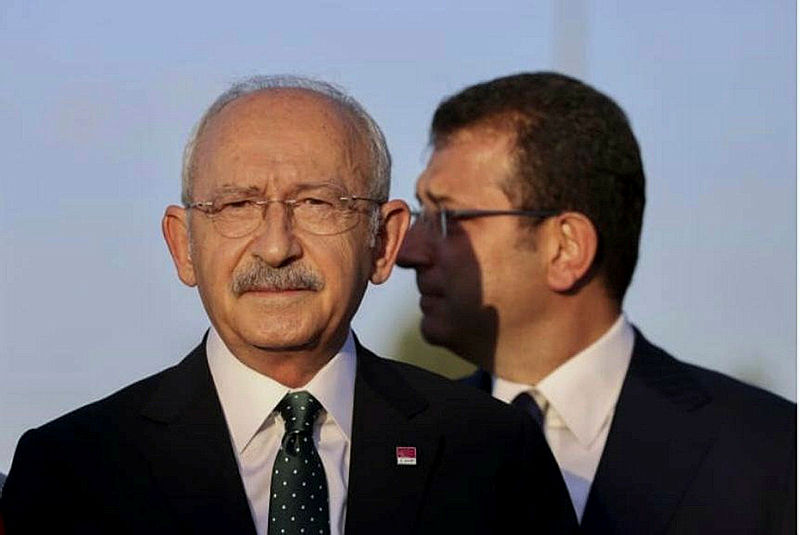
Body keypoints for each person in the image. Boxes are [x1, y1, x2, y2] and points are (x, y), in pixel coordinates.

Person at [0, 75, 577, 534]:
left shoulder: (492, 454)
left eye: (317, 203)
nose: (276, 247)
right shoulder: (73, 469)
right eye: (236, 206)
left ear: (383, 242)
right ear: (183, 246)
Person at [397, 72, 796, 534]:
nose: (408, 251)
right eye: (422, 214)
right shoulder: (401, 444)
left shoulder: (773, 457)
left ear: (566, 248)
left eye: (447, 218)